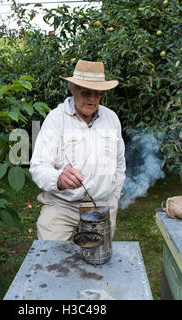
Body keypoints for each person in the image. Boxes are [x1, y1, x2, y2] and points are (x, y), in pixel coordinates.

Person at [29, 59, 126, 241]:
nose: (92, 98)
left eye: (97, 93)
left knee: (98, 261)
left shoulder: (111, 119)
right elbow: (39, 166)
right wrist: (58, 179)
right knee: (50, 260)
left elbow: (119, 164)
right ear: (72, 89)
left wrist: (113, 196)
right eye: (85, 92)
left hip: (102, 204)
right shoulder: (56, 119)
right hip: (62, 205)